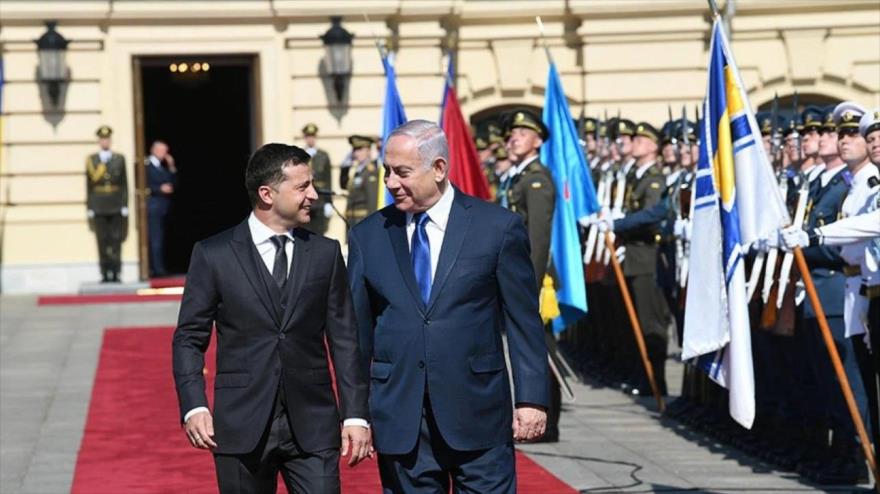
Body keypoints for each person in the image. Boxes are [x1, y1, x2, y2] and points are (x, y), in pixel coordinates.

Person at [347, 120, 549, 493]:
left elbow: (523, 321)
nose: (391, 182)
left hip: (479, 414)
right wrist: (355, 414)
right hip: (402, 420)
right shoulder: (368, 235)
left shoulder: (497, 227)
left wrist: (531, 398)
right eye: (387, 171)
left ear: (438, 168)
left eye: (402, 172)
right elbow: (357, 337)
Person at [172, 143, 371, 494]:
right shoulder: (213, 254)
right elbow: (189, 338)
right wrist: (194, 406)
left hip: (313, 425)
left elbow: (345, 339)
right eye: (302, 187)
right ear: (267, 194)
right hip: (240, 424)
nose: (313, 195)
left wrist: (355, 414)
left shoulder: (325, 254)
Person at [86, 125, 128, 283]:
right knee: (102, 240)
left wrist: (124, 204)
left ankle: (116, 273)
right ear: (99, 141)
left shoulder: (119, 158)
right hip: (99, 203)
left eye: (107, 139)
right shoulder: (92, 160)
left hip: (115, 203)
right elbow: (89, 185)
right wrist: (90, 206)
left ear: (110, 141)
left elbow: (124, 183)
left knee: (116, 239)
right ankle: (105, 273)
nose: (105, 141)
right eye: (102, 139)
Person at [146, 140, 177, 277]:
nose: (165, 154)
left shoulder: (163, 166)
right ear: (154, 150)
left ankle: (160, 266)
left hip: (164, 207)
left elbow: (174, 182)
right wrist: (159, 189)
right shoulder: (147, 165)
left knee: (161, 238)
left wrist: (171, 166)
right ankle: (156, 269)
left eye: (166, 151)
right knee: (155, 239)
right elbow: (143, 185)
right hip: (153, 207)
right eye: (162, 150)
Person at [301, 123, 333, 235]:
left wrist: (329, 202)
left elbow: (328, 180)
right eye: (308, 136)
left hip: (320, 199)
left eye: (312, 136)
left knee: (319, 233)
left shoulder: (323, 155)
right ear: (305, 138)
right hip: (304, 199)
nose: (310, 139)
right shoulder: (300, 155)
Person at [344, 135, 379, 228]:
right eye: (355, 150)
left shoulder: (371, 172)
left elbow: (372, 201)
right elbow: (343, 185)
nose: (356, 153)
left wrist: (372, 223)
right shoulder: (356, 171)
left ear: (368, 151)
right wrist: (345, 168)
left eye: (360, 149)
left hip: (363, 220)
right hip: (351, 220)